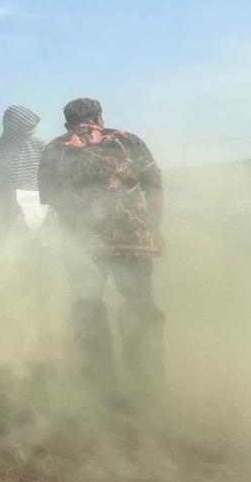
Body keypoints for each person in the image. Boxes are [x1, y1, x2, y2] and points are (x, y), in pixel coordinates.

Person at [38, 97, 164, 401]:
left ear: (67, 123)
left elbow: (48, 197)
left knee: (88, 307)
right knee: (139, 304)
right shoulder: (129, 140)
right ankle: (145, 383)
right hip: (132, 238)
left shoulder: (55, 149)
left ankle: (99, 385)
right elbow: (154, 184)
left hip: (82, 245)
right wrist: (155, 227)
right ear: (100, 117)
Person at [0, 105, 46, 246]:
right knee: (1, 252)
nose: (33, 131)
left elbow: (49, 178)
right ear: (14, 128)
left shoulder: (39, 146)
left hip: (36, 213)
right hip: (1, 213)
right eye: (28, 127)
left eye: (33, 126)